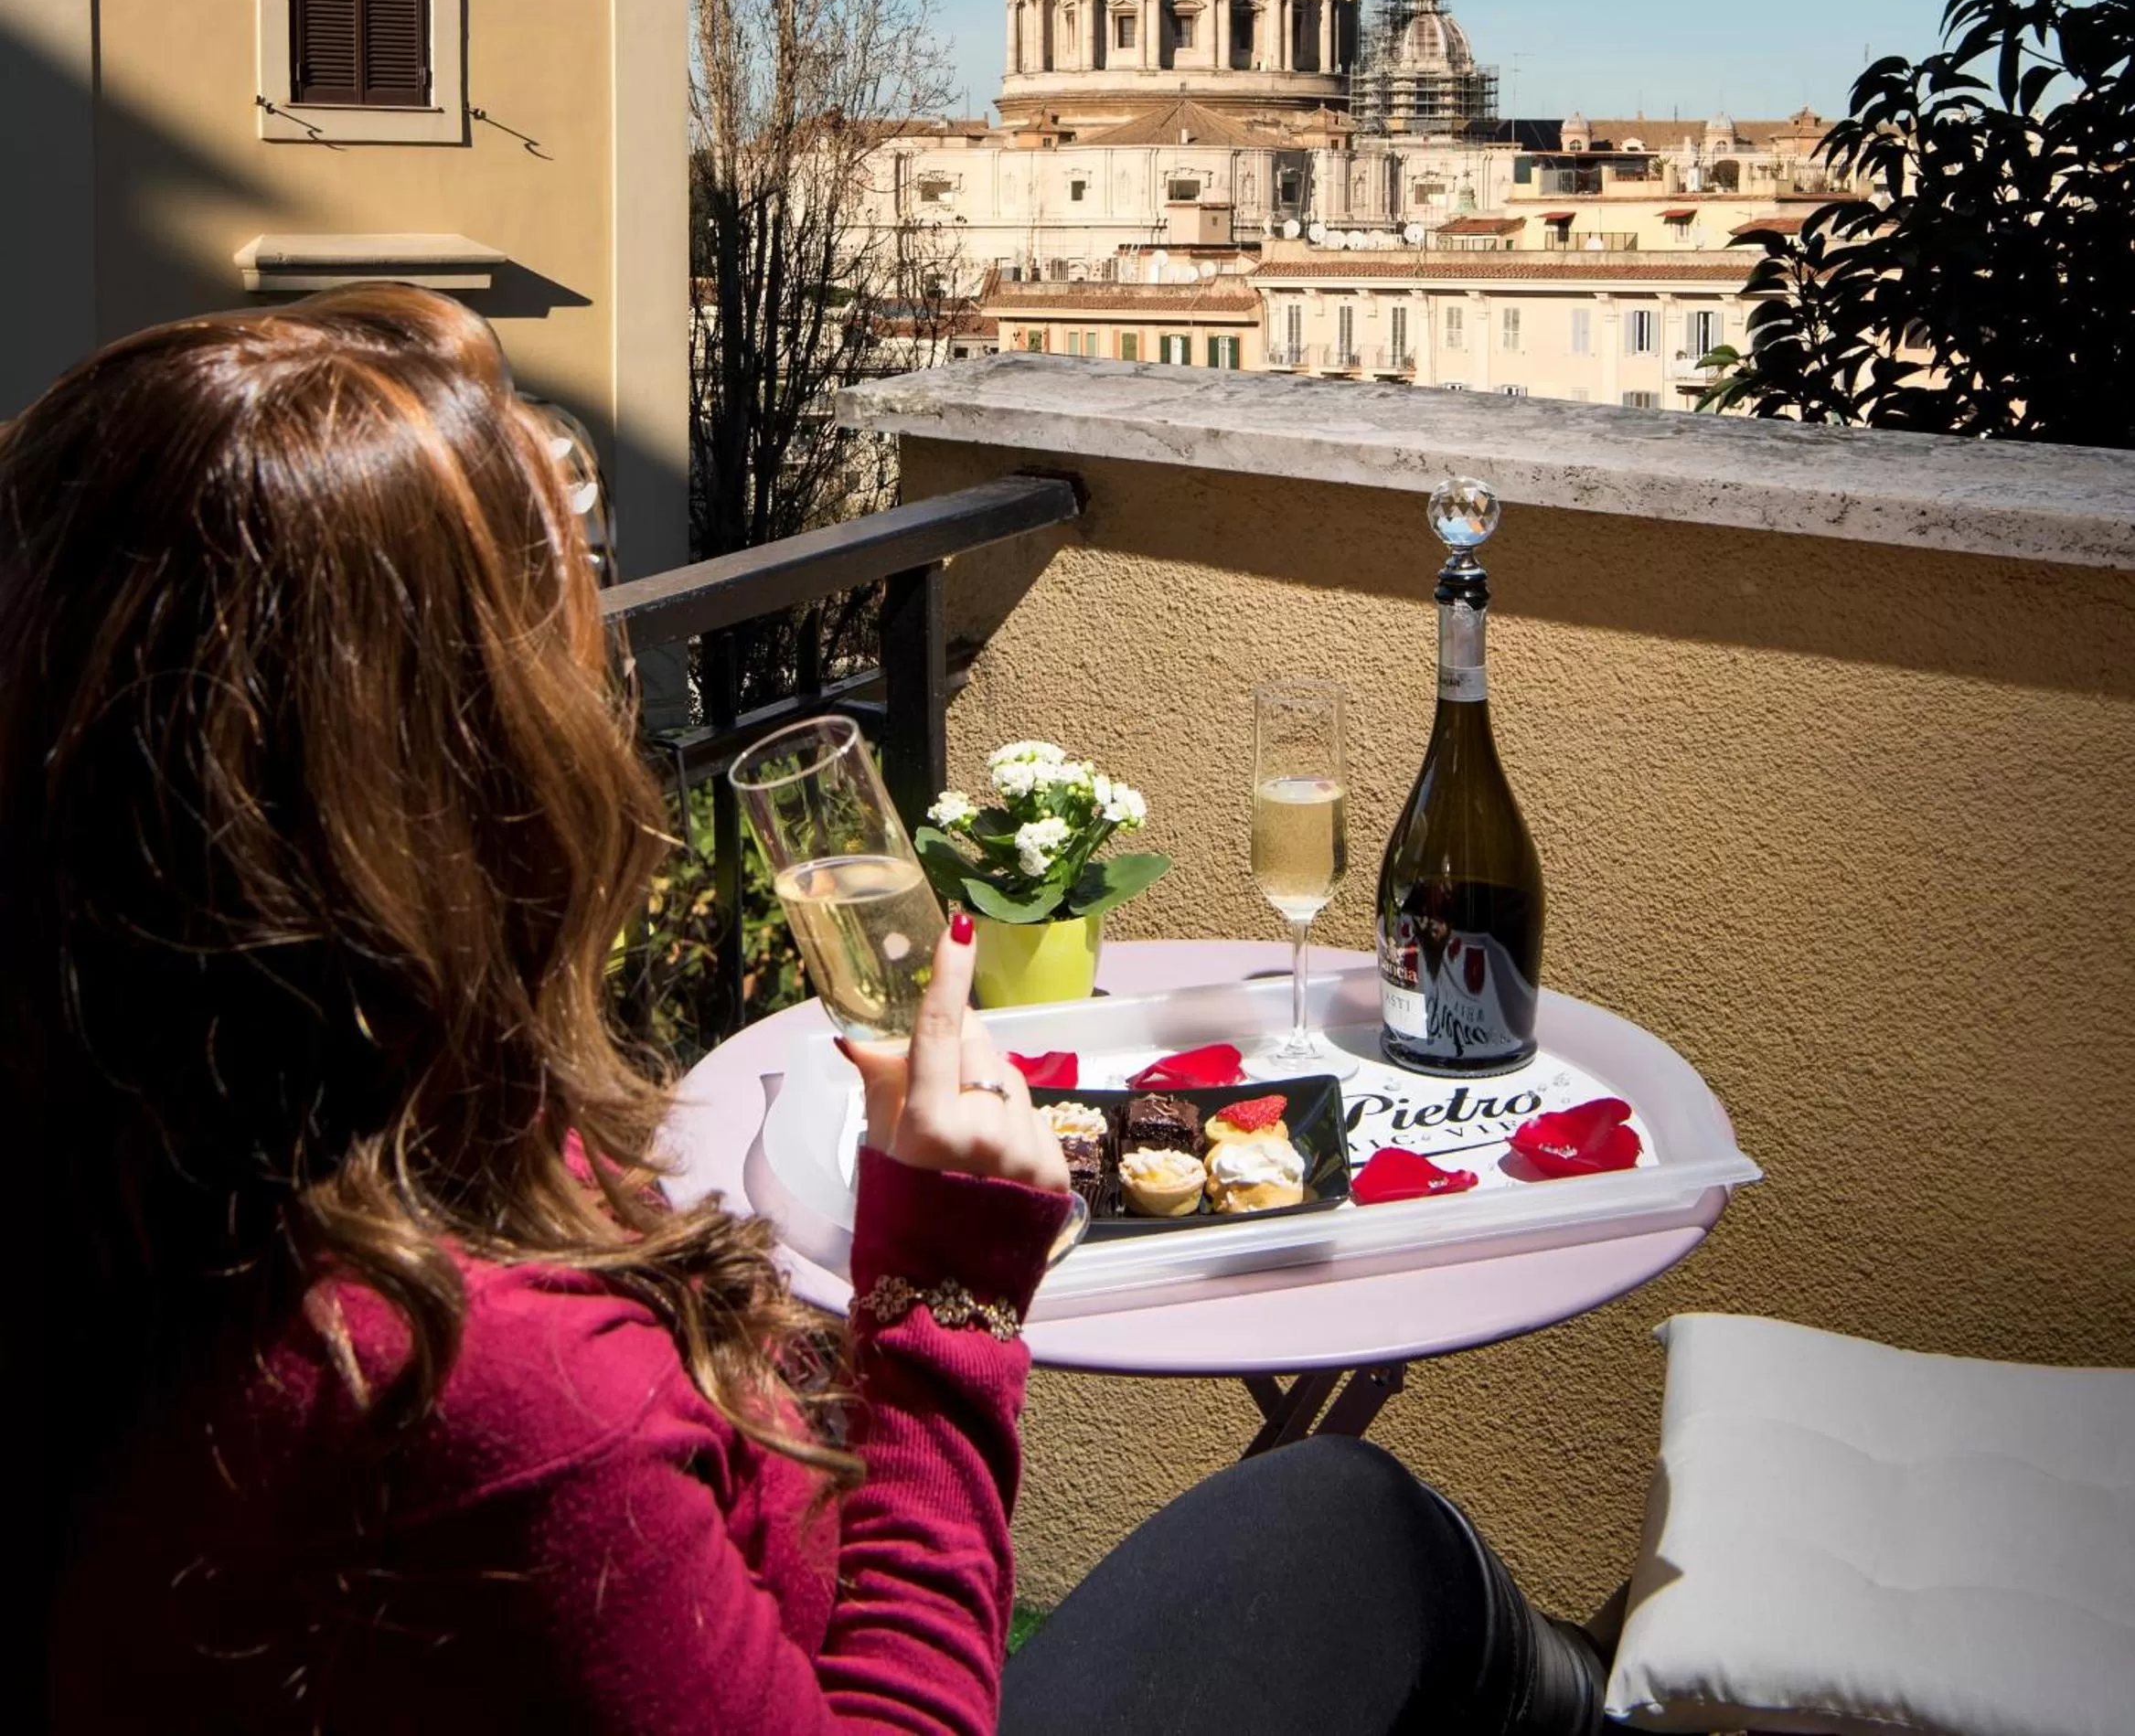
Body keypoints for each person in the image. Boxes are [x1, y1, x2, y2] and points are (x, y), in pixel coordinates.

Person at [0, 288, 1603, 1734]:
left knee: (1338, 1508)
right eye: (573, 642)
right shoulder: (483, 1390)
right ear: (471, 773)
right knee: (1377, 1545)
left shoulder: (187, 1143)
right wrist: (945, 1298)